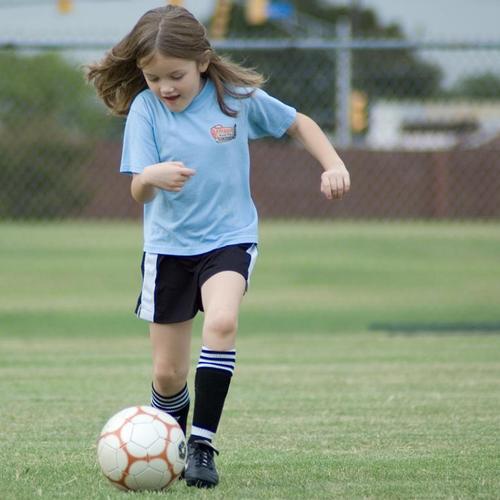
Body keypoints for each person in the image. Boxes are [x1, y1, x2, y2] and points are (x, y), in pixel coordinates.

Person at [87, 4, 350, 489]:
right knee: (168, 375)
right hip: (168, 249)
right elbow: (136, 192)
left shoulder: (235, 99)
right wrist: (150, 176)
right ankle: (170, 439)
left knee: (223, 321)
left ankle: (203, 445)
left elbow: (299, 123)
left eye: (175, 75)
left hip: (229, 239)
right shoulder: (145, 111)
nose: (165, 87)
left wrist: (332, 163)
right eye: (153, 77)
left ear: (202, 62)